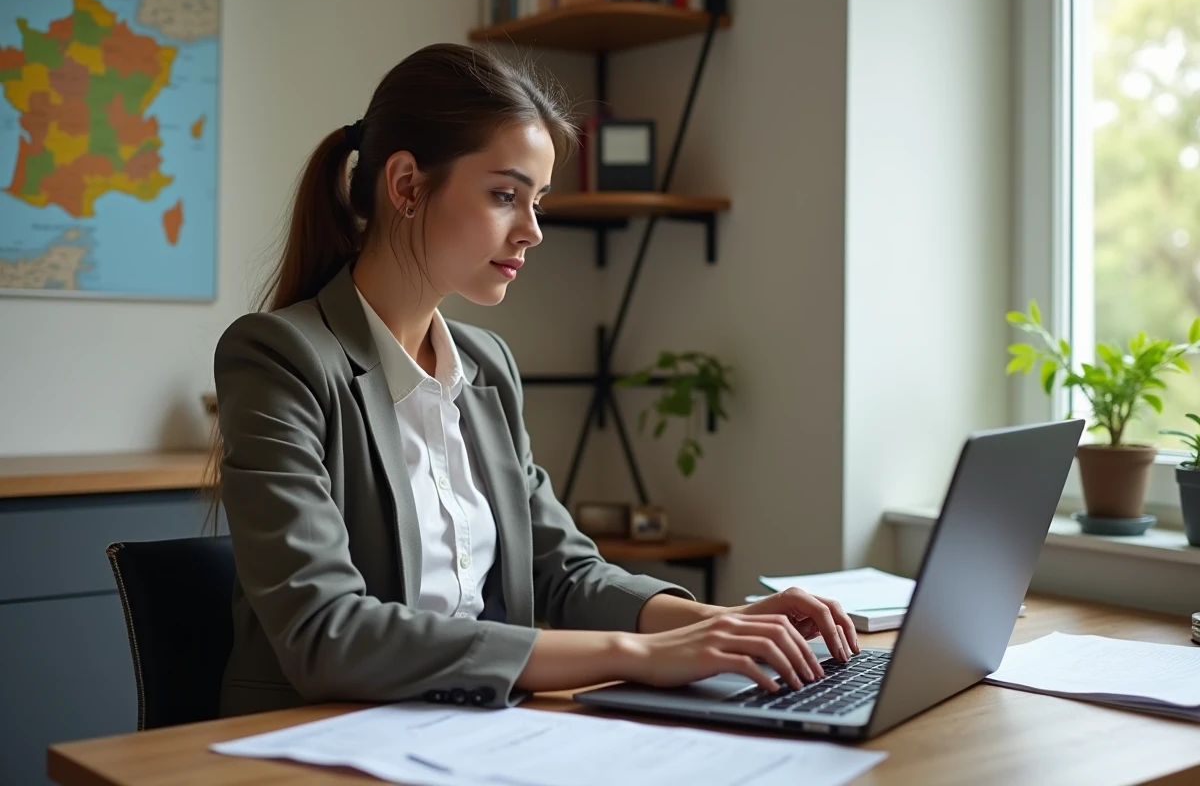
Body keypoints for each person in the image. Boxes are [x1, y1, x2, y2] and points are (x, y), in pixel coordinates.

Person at [211, 42, 859, 718]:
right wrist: (635, 655)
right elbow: (327, 633)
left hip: (470, 728)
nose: (532, 231)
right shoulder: (279, 358)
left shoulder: (486, 365)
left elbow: (564, 570)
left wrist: (728, 625)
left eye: (538, 202)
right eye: (504, 195)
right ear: (405, 185)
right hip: (312, 739)